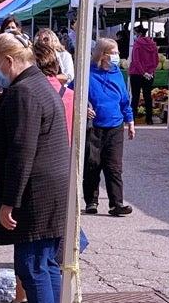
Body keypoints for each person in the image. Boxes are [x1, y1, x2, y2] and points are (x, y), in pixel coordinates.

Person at [0, 32, 69, 303]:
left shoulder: (24, 92)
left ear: (9, 61)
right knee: (46, 262)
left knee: (32, 263)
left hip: (38, 189)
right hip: (52, 186)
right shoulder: (39, 85)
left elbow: (23, 150)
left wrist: (9, 201)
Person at [84, 38, 135, 215]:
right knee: (92, 164)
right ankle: (91, 201)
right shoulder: (87, 73)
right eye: (114, 52)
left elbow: (124, 99)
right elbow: (73, 93)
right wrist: (83, 107)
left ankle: (116, 203)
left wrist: (130, 121)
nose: (117, 56)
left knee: (114, 166)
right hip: (94, 126)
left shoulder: (117, 73)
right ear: (103, 55)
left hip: (115, 125)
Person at [32, 30, 75, 132]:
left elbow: (69, 76)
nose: (42, 42)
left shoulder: (64, 55)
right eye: (39, 39)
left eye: (46, 39)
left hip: (60, 92)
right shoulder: (34, 55)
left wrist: (49, 78)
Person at [128, 24, 159, 125]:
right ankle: (149, 119)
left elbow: (136, 60)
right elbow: (156, 60)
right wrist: (150, 72)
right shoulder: (153, 44)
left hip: (136, 73)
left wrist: (142, 72)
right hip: (149, 74)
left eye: (135, 33)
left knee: (135, 96)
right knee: (147, 96)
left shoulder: (137, 44)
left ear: (139, 33)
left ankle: (133, 118)